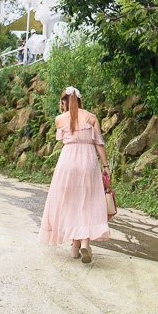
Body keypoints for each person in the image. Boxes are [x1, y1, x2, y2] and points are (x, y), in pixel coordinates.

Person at [38, 86, 111, 262]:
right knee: (87, 202)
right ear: (79, 100)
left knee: (70, 202)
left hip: (67, 162)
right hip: (87, 162)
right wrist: (106, 165)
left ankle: (74, 247)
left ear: (64, 101)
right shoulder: (91, 118)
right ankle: (84, 242)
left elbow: (64, 142)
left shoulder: (59, 120)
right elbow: (99, 144)